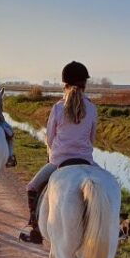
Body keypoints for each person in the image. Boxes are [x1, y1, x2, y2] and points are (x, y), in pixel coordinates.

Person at [19, 61, 96, 244]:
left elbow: (50, 139)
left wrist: (56, 154)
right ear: (85, 84)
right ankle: (115, 226)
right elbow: (92, 139)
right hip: (86, 161)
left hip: (60, 162)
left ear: (65, 84)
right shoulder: (92, 108)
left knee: (32, 187)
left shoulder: (58, 108)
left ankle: (36, 230)